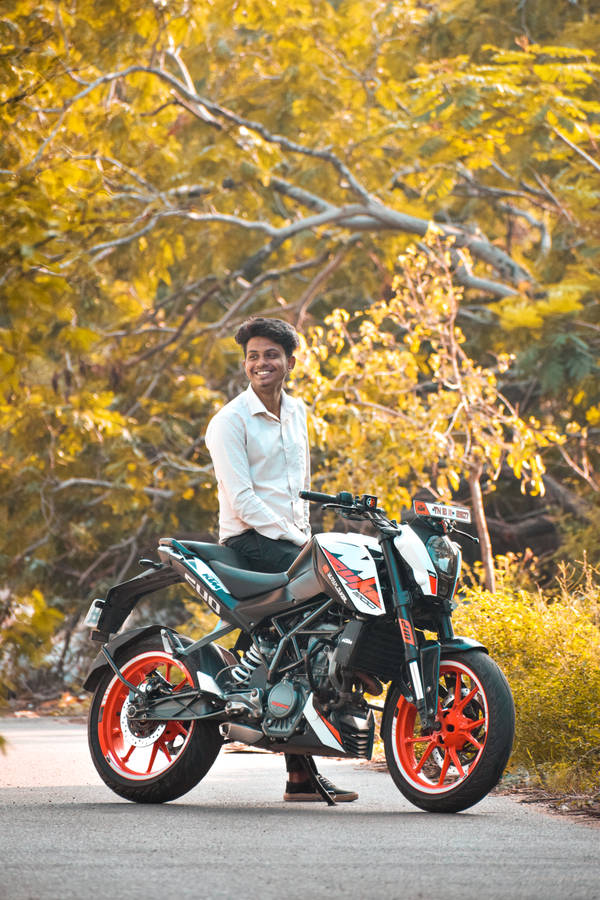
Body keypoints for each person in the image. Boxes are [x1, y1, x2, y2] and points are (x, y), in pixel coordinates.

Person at [205, 316, 358, 803]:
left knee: (304, 638)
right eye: (252, 356)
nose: (260, 363)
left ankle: (299, 775)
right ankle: (299, 772)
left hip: (291, 537)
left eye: (270, 354)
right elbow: (244, 499)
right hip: (250, 540)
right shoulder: (229, 421)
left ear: (291, 361)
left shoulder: (299, 412)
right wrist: (299, 541)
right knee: (308, 623)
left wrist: (307, 533)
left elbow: (298, 491)